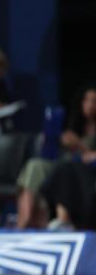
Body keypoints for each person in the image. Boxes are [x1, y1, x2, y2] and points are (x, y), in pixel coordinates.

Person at [16, 85, 96, 229]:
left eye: (94, 101)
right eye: (86, 100)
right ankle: (24, 221)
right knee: (35, 165)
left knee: (66, 169)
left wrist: (80, 147)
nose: (90, 105)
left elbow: (88, 156)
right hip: (64, 162)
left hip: (86, 170)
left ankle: (62, 221)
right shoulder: (72, 123)